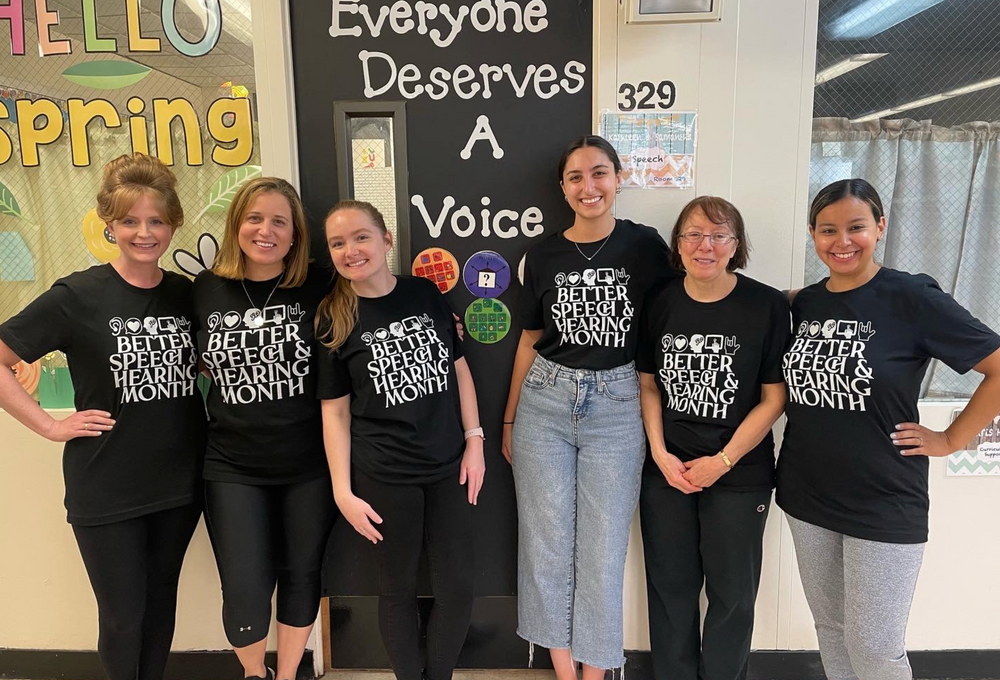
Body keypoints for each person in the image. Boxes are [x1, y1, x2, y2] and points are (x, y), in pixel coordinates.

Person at [777, 178, 1000, 680]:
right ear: (812, 234)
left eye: (856, 227)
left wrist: (951, 440)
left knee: (875, 647)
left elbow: (998, 368)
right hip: (806, 492)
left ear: (880, 227)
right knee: (832, 630)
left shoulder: (910, 296)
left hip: (884, 496)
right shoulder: (804, 304)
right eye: (827, 230)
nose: (842, 242)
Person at [0, 153, 205, 680]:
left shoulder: (186, 295)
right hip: (106, 485)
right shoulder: (77, 296)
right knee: (122, 616)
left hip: (180, 483)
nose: (144, 233)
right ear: (109, 224)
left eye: (156, 220)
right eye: (130, 221)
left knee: (159, 607)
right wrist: (50, 425)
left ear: (173, 223)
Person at [501, 134, 675, 676]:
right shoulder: (543, 254)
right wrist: (509, 417)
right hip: (545, 401)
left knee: (602, 550)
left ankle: (595, 671)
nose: (588, 186)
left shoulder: (646, 246)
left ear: (618, 179)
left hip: (619, 404)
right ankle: (562, 671)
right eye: (575, 177)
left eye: (599, 173)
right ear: (563, 188)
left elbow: (684, 303)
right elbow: (529, 339)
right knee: (545, 545)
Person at [316, 200, 485, 680]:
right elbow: (335, 412)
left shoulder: (424, 292)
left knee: (457, 588)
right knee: (397, 590)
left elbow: (459, 369)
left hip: (449, 465)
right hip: (384, 474)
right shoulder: (332, 318)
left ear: (386, 239)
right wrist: (342, 491)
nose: (351, 250)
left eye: (361, 237)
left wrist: (475, 440)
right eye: (338, 243)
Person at [636, 196, 789, 680]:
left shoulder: (765, 305)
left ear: (736, 245)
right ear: (678, 243)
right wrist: (660, 453)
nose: (706, 246)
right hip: (667, 473)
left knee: (733, 596)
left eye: (719, 236)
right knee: (670, 590)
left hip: (740, 475)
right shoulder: (659, 300)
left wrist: (722, 460)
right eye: (694, 235)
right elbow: (648, 384)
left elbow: (774, 398)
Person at [192, 178, 334, 680]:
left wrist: (436, 317)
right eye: (254, 218)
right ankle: (256, 674)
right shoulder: (205, 289)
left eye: (279, 221)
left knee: (301, 574)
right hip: (232, 466)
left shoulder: (321, 285)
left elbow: (377, 302)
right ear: (236, 225)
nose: (265, 231)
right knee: (244, 585)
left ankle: (289, 674)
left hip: (309, 465)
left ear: (295, 235)